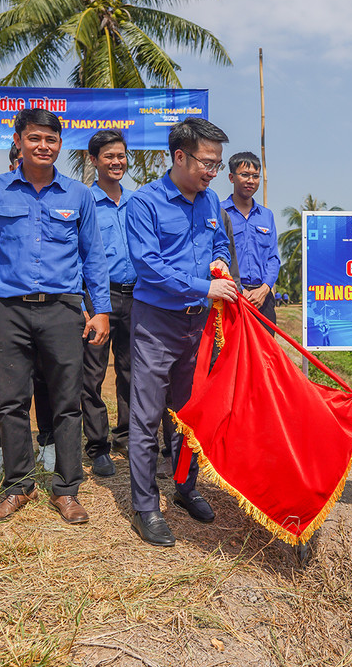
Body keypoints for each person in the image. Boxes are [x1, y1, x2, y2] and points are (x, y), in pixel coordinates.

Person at [0, 108, 110, 526]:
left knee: (66, 402)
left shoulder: (78, 195)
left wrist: (100, 311)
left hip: (63, 309)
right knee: (10, 401)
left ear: (60, 145)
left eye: (52, 140)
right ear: (19, 140)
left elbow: (93, 257)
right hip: (8, 310)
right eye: (35, 139)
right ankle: (18, 486)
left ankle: (66, 489)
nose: (44, 146)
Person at [125, 117, 238, 547]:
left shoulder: (211, 203)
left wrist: (221, 262)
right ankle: (145, 507)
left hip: (198, 327)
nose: (212, 172)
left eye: (217, 163)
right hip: (157, 322)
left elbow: (219, 244)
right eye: (206, 163)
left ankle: (186, 488)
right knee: (147, 415)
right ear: (179, 156)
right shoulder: (145, 203)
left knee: (189, 415)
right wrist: (202, 285)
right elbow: (148, 264)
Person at [0, 143, 55, 479]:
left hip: (48, 309)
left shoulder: (51, 202)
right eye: (18, 161)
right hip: (1, 307)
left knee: (48, 379)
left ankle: (48, 445)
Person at [81, 129, 137, 478]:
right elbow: (75, 255)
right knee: (92, 373)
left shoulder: (138, 202)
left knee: (133, 371)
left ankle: (127, 436)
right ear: (94, 160)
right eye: (108, 157)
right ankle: (97, 445)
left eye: (121, 156)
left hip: (137, 296)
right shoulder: (83, 201)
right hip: (98, 298)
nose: (116, 162)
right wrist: (85, 305)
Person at [221, 151, 280, 326]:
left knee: (264, 353)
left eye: (255, 176)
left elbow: (273, 258)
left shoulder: (266, 215)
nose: (251, 181)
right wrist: (238, 290)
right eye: (244, 175)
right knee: (231, 352)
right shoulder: (218, 212)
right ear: (232, 177)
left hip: (262, 300)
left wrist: (264, 289)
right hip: (230, 296)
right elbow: (215, 256)